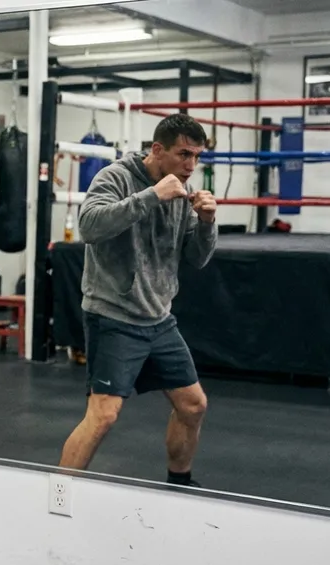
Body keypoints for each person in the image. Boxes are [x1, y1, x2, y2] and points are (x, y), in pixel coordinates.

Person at [58, 113, 216, 488]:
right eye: (183, 154)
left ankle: (179, 484)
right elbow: (90, 227)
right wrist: (151, 195)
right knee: (103, 415)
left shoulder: (182, 189)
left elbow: (196, 258)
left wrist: (207, 223)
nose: (190, 165)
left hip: (159, 320)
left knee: (193, 405)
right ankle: (58, 495)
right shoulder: (116, 177)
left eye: (196, 156)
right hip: (114, 315)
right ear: (157, 149)